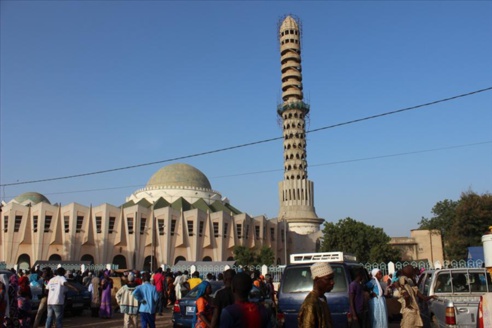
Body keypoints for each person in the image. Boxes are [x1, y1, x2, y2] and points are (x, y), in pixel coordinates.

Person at [298, 262, 335, 328]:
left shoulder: (322, 298)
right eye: (328, 279)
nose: (332, 282)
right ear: (317, 280)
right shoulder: (310, 304)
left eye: (332, 278)